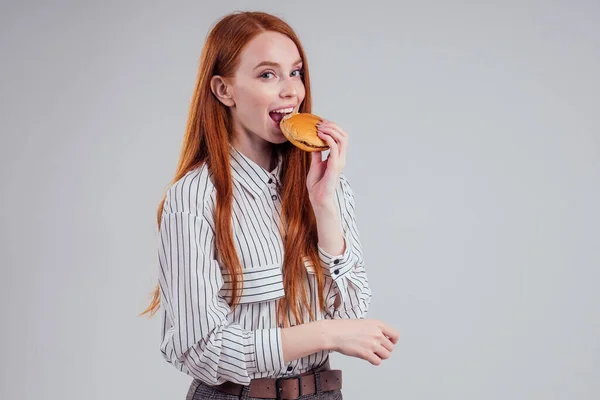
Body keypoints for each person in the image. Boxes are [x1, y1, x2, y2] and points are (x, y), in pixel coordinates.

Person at [139, 10, 400, 400]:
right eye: (267, 74)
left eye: (295, 73)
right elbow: (200, 349)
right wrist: (324, 334)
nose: (292, 91)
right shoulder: (194, 197)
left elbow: (351, 318)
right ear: (224, 90)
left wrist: (325, 204)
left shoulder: (328, 185)